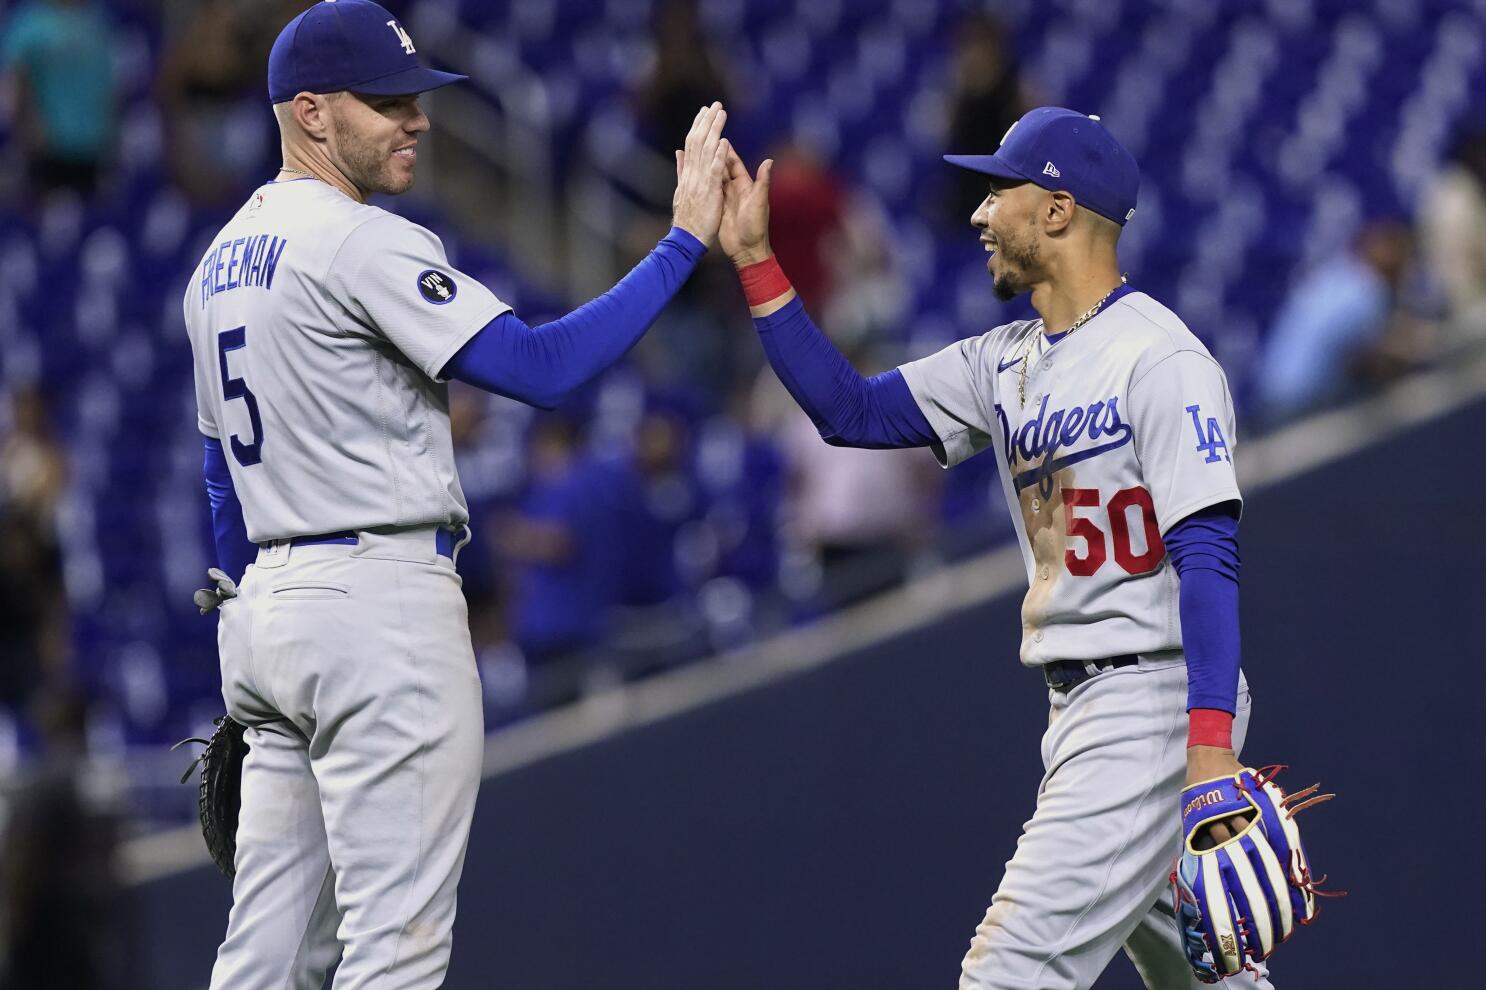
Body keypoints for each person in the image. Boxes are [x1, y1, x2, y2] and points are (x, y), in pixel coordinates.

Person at [181, 2, 731, 986]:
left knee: (264, 960)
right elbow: (544, 368)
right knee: (395, 951)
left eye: (416, 101)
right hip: (376, 610)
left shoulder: (217, 263)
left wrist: (250, 634)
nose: (416, 120)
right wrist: (681, 242)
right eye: (386, 102)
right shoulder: (357, 239)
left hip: (267, 614)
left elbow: (222, 478)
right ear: (309, 112)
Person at [719, 108, 1289, 988]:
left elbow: (1207, 556)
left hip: (1153, 703)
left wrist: (1209, 751)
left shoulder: (1161, 358)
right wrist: (758, 262)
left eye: (999, 191)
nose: (980, 214)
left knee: (1006, 974)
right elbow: (852, 411)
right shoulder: (1004, 360)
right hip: (1080, 712)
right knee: (1208, 982)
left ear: (1056, 210)